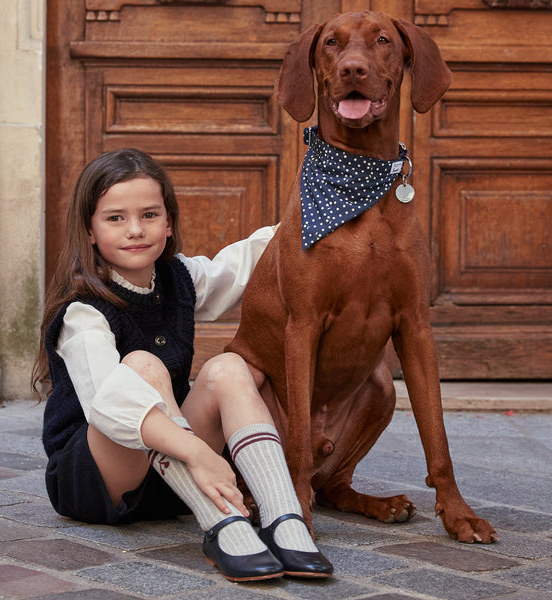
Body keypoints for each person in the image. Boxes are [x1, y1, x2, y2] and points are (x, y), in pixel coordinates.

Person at [32, 148, 333, 582]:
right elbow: (108, 405)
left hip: (169, 479)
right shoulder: (83, 313)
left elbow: (245, 261)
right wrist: (199, 453)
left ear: (169, 222)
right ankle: (221, 523)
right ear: (90, 230)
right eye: (115, 218)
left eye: (150, 215)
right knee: (142, 367)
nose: (135, 230)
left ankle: (283, 517)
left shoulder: (178, 278)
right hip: (100, 481)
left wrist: (318, 211)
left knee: (229, 367)